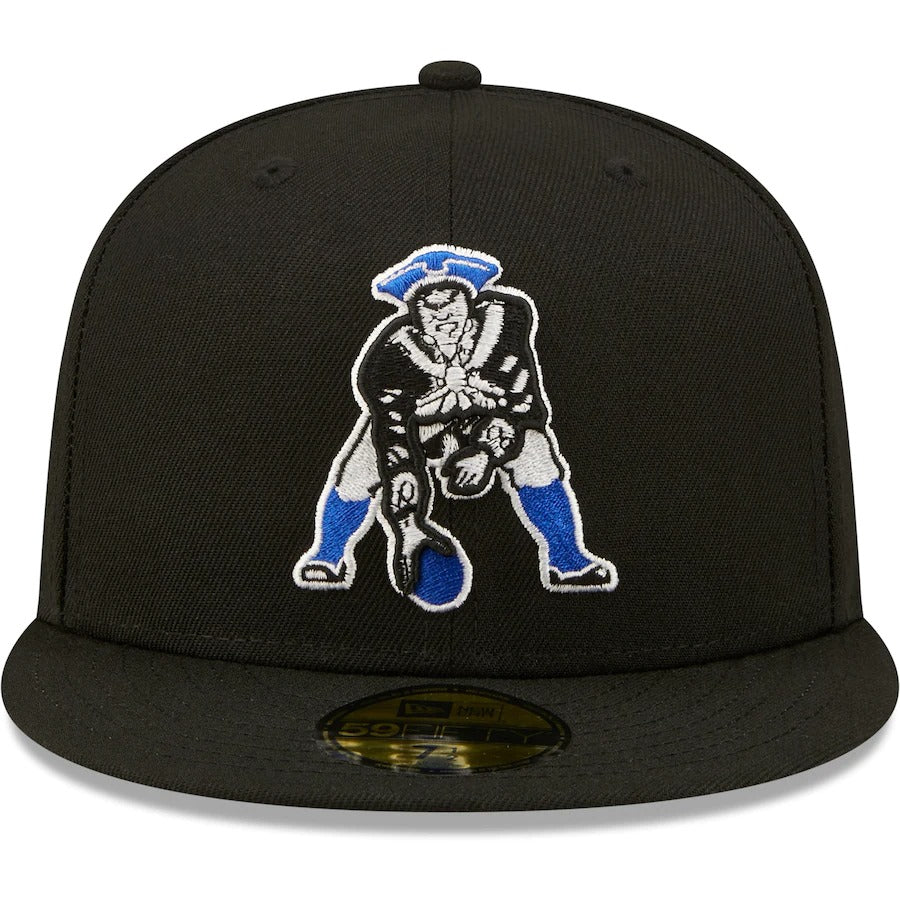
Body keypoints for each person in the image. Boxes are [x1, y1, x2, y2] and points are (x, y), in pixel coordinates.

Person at [293, 246, 618, 610]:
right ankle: (327, 554)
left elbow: (523, 408)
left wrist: (485, 454)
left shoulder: (503, 328)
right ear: (414, 315)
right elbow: (393, 432)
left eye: (450, 302)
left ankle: (568, 559)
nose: (442, 314)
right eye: (429, 308)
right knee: (362, 461)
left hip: (488, 423)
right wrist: (406, 522)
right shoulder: (392, 354)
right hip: (421, 427)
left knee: (535, 450)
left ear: (470, 302)